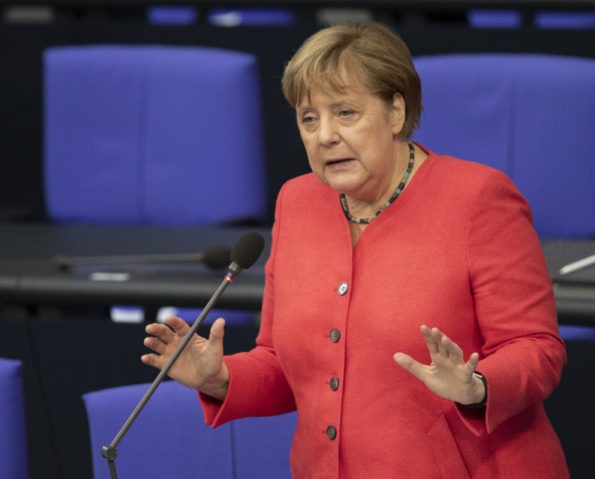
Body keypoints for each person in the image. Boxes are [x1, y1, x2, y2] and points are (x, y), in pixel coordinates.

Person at [142, 22, 570, 478]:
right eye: (309, 118)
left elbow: (537, 348)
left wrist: (477, 386)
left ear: (395, 113)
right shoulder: (297, 202)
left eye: (345, 112)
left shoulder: (478, 198)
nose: (324, 135)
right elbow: (284, 364)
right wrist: (219, 377)